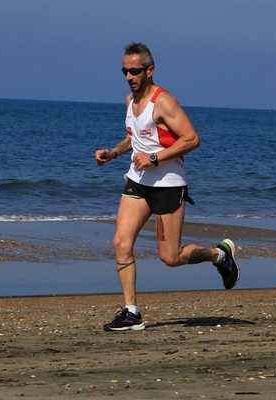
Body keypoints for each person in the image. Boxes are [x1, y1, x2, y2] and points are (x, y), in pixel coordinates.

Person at [94, 43, 239, 331]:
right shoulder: (130, 101)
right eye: (124, 71)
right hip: (137, 181)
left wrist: (154, 157)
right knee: (120, 243)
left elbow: (192, 139)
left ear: (150, 70)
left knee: (170, 257)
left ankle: (219, 255)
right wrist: (113, 153)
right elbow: (134, 137)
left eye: (134, 71)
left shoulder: (164, 102)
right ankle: (131, 312)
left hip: (168, 185)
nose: (128, 76)